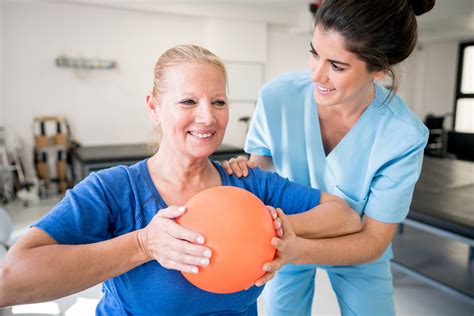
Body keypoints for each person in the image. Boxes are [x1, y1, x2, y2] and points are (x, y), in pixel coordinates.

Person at [0, 45, 362, 315]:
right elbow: (9, 281)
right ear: (154, 108)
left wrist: (270, 228)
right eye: (188, 101)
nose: (207, 117)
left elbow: (343, 216)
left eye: (219, 102)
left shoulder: (249, 184)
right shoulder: (113, 190)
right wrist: (144, 244)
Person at [223, 0, 435, 315]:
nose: (316, 75)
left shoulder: (402, 135)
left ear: (377, 70)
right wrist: (246, 169)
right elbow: (262, 167)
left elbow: (374, 239)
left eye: (336, 66)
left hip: (355, 247)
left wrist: (299, 250)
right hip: (288, 229)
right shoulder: (277, 96)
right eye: (314, 53)